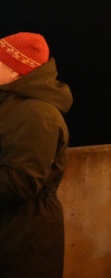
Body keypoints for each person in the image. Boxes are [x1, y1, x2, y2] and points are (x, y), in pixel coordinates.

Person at [0, 32, 72, 277]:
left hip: (24, 239)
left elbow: (20, 183)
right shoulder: (14, 106)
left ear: (16, 72)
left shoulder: (37, 114)